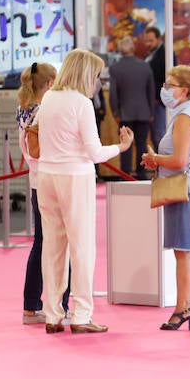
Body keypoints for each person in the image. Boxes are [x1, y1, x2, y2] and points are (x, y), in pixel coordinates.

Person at [36, 49, 133, 334]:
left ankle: (53, 313)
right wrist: (121, 147)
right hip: (75, 177)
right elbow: (93, 152)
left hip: (47, 175)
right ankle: (80, 315)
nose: (98, 81)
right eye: (96, 75)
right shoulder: (81, 103)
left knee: (53, 247)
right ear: (86, 74)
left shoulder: (49, 97)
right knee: (82, 247)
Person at [141, 65, 190, 330]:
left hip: (187, 191)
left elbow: (179, 159)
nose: (165, 90)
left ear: (184, 90)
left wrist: (155, 158)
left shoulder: (185, 118)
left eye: (170, 85)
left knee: (184, 251)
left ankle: (183, 308)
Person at [17, 62, 70, 325]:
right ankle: (63, 304)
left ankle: (31, 304)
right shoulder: (45, 110)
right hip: (53, 179)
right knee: (63, 243)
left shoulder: (23, 109)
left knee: (41, 244)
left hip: (36, 180)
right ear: (50, 84)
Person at [109, 36, 157, 179]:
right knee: (142, 144)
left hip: (124, 113)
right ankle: (142, 175)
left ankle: (126, 175)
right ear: (133, 49)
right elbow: (151, 91)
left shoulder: (115, 68)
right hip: (144, 113)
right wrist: (151, 112)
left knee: (125, 146)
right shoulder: (145, 66)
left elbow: (113, 94)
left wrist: (116, 112)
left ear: (120, 50)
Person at [145, 26, 168, 144]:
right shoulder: (151, 54)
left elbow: (168, 78)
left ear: (159, 39)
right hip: (152, 101)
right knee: (155, 136)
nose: (148, 44)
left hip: (159, 102)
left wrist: (158, 98)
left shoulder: (166, 54)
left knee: (159, 136)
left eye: (151, 40)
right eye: (146, 41)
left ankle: (163, 162)